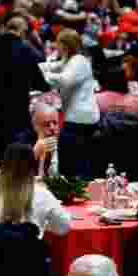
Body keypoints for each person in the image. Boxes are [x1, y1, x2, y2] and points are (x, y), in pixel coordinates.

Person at [0, 16, 49, 165]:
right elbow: (39, 80)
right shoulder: (24, 48)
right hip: (16, 108)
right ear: (22, 31)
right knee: (14, 152)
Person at [0, 143, 71, 237]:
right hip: (28, 254)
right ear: (32, 168)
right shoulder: (43, 194)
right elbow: (63, 227)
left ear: (4, 165)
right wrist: (43, 224)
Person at [43, 28, 99, 179]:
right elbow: (51, 66)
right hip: (78, 117)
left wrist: (46, 76)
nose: (56, 47)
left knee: (72, 161)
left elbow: (65, 80)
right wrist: (38, 68)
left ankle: (77, 188)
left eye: (58, 43)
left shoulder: (79, 61)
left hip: (80, 119)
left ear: (65, 46)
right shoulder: (69, 60)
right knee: (75, 159)